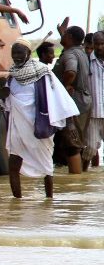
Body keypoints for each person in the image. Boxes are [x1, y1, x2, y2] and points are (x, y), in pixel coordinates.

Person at [2, 39, 78, 198]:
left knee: (46, 165)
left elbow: (58, 97)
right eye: (13, 53)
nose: (16, 56)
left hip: (40, 125)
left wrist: (62, 122)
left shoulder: (43, 72)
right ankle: (17, 203)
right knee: (13, 163)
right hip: (17, 127)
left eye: (20, 52)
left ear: (28, 54)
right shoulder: (11, 76)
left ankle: (49, 199)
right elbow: (7, 101)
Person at [52, 21, 91, 173]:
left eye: (65, 34)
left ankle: (76, 182)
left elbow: (70, 71)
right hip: (83, 101)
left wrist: (66, 86)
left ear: (69, 37)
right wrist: (62, 33)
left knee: (72, 145)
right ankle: (79, 181)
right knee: (77, 142)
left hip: (72, 102)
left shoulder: (70, 54)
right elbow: (70, 46)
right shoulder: (80, 51)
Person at [84, 32, 104, 162]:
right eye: (96, 44)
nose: (99, 47)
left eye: (102, 43)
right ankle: (82, 176)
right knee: (91, 148)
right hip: (93, 113)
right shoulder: (86, 61)